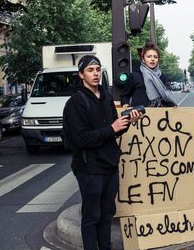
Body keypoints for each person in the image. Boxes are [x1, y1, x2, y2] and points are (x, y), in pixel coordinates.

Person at [63, 55, 142, 250]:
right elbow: (80, 139)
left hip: (109, 165)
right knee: (92, 216)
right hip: (89, 168)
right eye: (90, 70)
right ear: (81, 75)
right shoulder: (76, 102)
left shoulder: (106, 96)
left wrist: (127, 123)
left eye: (97, 69)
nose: (95, 73)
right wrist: (113, 129)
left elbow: (113, 131)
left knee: (107, 214)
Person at [120, 42, 177, 108]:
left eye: (155, 57)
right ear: (143, 59)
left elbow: (166, 97)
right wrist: (125, 104)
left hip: (159, 115)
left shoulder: (162, 77)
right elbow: (124, 95)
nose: (152, 59)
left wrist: (172, 106)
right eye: (149, 56)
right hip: (140, 116)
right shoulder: (135, 76)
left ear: (158, 60)